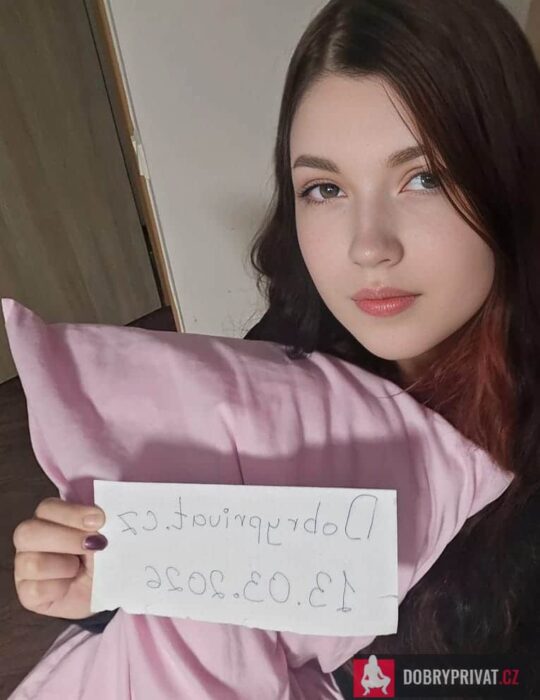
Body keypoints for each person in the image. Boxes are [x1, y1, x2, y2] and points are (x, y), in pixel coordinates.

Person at [11, 0, 540, 696]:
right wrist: (104, 583)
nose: (368, 247)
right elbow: (214, 572)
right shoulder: (292, 350)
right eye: (325, 188)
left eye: (425, 178)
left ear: (510, 176)